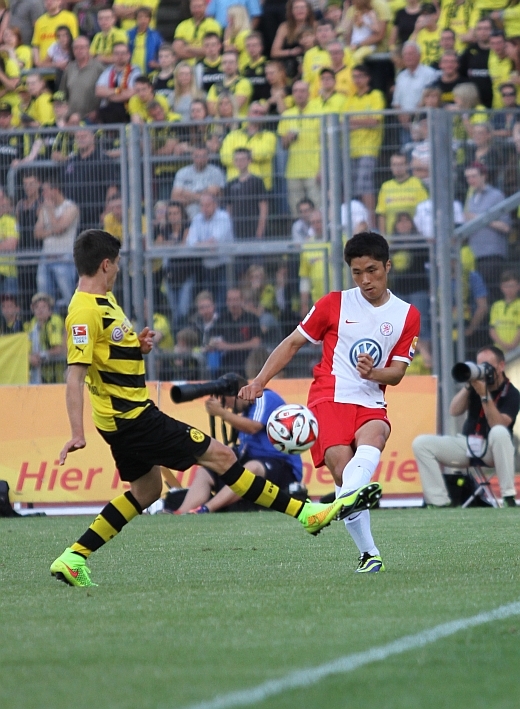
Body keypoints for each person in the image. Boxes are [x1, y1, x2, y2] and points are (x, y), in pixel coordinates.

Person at [49, 229, 368, 587]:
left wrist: (137, 346)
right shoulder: (83, 311)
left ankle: (74, 556)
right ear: (106, 264)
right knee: (222, 456)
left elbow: (105, 352)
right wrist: (76, 433)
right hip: (132, 418)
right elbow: (76, 375)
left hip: (126, 418)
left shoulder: (104, 301)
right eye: (118, 264)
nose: (119, 270)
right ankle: (305, 513)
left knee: (147, 491)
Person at [240, 232, 414, 572]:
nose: (365, 280)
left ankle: (339, 503)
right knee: (344, 471)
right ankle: (369, 552)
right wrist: (260, 381)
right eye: (357, 272)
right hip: (328, 397)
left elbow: (396, 374)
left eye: (372, 270)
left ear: (387, 266)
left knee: (376, 434)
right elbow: (292, 343)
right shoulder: (333, 304)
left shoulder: (407, 315)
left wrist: (374, 373)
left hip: (370, 400)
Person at [413, 345, 519, 508]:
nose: (483, 370)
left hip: (494, 450)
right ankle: (438, 501)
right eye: (480, 366)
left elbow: (498, 424)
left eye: (487, 366)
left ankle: (508, 497)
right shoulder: (474, 387)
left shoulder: (511, 393)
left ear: (501, 366)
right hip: (468, 444)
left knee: (499, 432)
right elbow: (454, 411)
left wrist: (484, 395)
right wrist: (469, 385)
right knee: (421, 443)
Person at [177, 378, 303, 514]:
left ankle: (206, 509)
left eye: (226, 400)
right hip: (254, 462)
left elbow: (253, 427)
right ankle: (181, 512)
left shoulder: (263, 397)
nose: (227, 406)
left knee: (251, 468)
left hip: (283, 466)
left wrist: (222, 413)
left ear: (235, 393)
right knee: (208, 469)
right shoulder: (246, 412)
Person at [463, 162, 510, 304]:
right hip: (474, 255)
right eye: (468, 177)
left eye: (474, 176)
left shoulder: (496, 196)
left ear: (484, 176)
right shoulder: (471, 198)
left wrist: (477, 218)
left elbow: (505, 226)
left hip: (491, 254)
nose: (471, 180)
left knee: (492, 294)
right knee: (479, 297)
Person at [343, 63, 385, 220]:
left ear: (368, 78)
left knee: (365, 184)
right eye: (354, 77)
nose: (357, 80)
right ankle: (360, 221)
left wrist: (354, 122)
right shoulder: (350, 99)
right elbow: (343, 123)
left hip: (369, 148)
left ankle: (371, 221)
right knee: (354, 186)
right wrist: (363, 121)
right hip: (352, 149)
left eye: (360, 76)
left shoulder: (375, 95)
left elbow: (375, 120)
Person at [34, 179, 79, 310]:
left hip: (64, 257)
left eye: (45, 190)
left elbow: (60, 228)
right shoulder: (44, 209)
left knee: (68, 295)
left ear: (55, 190)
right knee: (44, 297)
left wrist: (50, 212)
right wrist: (55, 229)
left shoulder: (70, 207)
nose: (43, 194)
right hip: (46, 257)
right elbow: (37, 233)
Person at [277, 80, 321, 216]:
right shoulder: (287, 115)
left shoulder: (319, 113)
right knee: (296, 209)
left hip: (313, 170)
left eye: (302, 91)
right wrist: (288, 138)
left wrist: (321, 169)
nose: (299, 94)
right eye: (295, 91)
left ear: (308, 93)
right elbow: (283, 145)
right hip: (293, 171)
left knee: (317, 207)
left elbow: (325, 145)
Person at [208, 286, 262, 376]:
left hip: (247, 362)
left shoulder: (252, 318)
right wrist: (213, 344)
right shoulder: (222, 319)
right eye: (230, 300)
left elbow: (255, 343)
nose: (233, 303)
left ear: (242, 300)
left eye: (236, 299)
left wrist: (228, 346)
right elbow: (211, 338)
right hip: (226, 362)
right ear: (226, 302)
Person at [223, 147, 268, 244]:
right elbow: (228, 209)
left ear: (249, 161)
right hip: (236, 230)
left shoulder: (257, 181)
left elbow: (263, 207)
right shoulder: (230, 184)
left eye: (243, 159)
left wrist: (260, 230)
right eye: (237, 160)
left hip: (253, 228)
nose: (240, 162)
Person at [376, 153, 428, 235]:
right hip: (392, 239)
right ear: (390, 167)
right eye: (394, 164)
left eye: (401, 164)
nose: (398, 168)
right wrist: (383, 238)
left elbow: (425, 211)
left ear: (407, 165)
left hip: (414, 238)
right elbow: (382, 215)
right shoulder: (385, 187)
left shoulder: (417, 184)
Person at [171, 146, 226, 221]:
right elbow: (175, 198)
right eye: (197, 156)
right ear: (192, 157)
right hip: (186, 217)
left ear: (208, 157)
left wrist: (186, 194)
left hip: (211, 217)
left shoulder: (216, 172)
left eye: (203, 156)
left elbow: (218, 196)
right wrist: (205, 196)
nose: (200, 159)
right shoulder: (182, 172)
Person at [59, 35, 104, 122]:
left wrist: (97, 112)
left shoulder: (99, 68)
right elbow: (62, 92)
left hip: (92, 119)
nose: (79, 50)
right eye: (76, 48)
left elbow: (105, 94)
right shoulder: (69, 68)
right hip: (71, 118)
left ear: (88, 49)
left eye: (82, 47)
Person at [25, 291, 66, 384]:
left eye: (43, 307)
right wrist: (30, 357)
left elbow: (58, 349)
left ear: (49, 309)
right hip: (40, 374)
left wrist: (40, 356)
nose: (40, 310)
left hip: (56, 373)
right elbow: (26, 346)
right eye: (37, 307)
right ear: (33, 309)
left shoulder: (54, 321)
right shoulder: (33, 323)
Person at [95, 42, 140, 124]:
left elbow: (131, 93)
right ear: (113, 55)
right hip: (108, 112)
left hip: (127, 112)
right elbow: (99, 91)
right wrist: (118, 91)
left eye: (123, 53)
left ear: (129, 55)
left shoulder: (135, 71)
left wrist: (109, 96)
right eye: (117, 53)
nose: (120, 56)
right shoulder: (107, 71)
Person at [489, 270, 520, 353]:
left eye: (512, 286)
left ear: (518, 287)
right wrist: (503, 345)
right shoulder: (496, 306)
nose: (509, 289)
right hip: (499, 350)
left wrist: (512, 345)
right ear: (501, 287)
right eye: (506, 286)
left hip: (517, 351)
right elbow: (492, 329)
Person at [127, 6, 162, 75]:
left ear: (150, 19)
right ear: (136, 19)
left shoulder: (155, 36)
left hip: (150, 73)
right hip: (131, 72)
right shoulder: (128, 35)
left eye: (146, 17)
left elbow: (162, 50)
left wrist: (157, 63)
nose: (143, 20)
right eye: (140, 17)